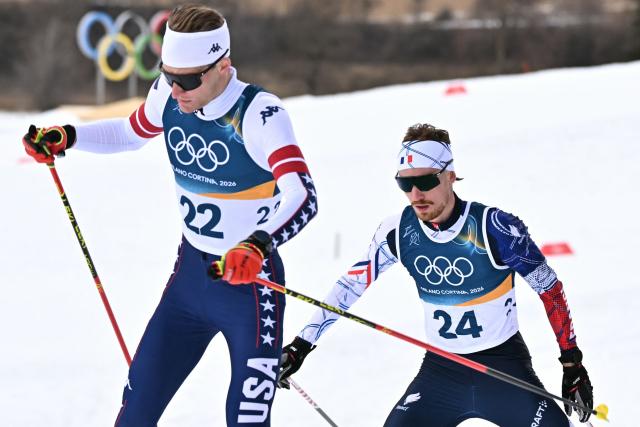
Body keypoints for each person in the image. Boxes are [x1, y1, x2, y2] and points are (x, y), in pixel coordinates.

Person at [22, 4, 318, 426]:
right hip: (189, 282)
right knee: (136, 409)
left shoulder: (259, 114)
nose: (174, 90)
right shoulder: (170, 93)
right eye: (167, 75)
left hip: (251, 286)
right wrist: (68, 136)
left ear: (222, 66)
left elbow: (302, 194)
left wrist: (257, 243)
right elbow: (129, 132)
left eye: (187, 79)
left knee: (247, 421)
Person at [277, 123, 593, 426]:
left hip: (503, 367)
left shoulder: (494, 228)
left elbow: (549, 289)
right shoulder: (398, 232)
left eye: (426, 181)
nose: (416, 194)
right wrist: (300, 346)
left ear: (450, 176)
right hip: (442, 373)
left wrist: (572, 362)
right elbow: (351, 286)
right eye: (405, 183)